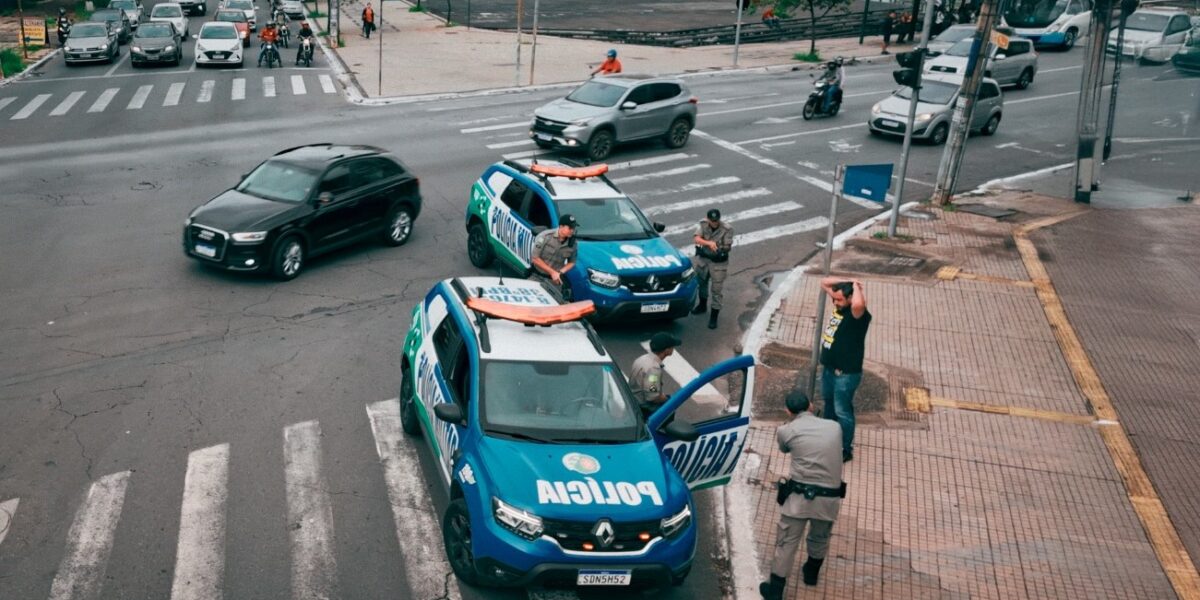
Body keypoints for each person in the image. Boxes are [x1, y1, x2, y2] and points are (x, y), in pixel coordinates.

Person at [759, 391, 845, 599]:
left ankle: (775, 591)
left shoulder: (785, 430)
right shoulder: (835, 427)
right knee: (820, 536)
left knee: (787, 541)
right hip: (829, 499)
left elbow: (784, 449)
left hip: (798, 499)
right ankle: (811, 575)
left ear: (787, 410)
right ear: (811, 406)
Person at [818, 278, 871, 462]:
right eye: (835, 299)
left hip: (845, 375)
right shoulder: (841, 304)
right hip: (829, 370)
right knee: (829, 406)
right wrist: (848, 280)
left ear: (850, 298)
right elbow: (824, 282)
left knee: (843, 412)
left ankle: (845, 448)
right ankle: (827, 439)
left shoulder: (858, 315)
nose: (835, 302)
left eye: (840, 300)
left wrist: (856, 286)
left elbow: (858, 303)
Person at [691, 208, 734, 330]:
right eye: (712, 221)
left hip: (718, 263)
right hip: (704, 260)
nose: (714, 223)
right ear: (708, 218)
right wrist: (709, 243)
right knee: (702, 284)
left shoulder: (727, 229)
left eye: (716, 221)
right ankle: (702, 305)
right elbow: (696, 238)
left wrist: (720, 248)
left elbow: (727, 247)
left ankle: (714, 317)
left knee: (716, 290)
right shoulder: (704, 224)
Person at [629, 333, 681, 417]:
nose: (673, 349)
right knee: (670, 410)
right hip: (644, 406)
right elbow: (652, 397)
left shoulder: (642, 358)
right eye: (672, 347)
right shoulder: (653, 370)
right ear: (667, 350)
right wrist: (668, 399)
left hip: (633, 398)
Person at [530, 214, 579, 301]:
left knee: (556, 304)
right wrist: (552, 272)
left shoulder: (573, 244)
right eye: (570, 228)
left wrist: (560, 272)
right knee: (531, 300)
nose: (572, 231)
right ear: (561, 226)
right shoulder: (545, 237)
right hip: (537, 276)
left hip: (555, 281)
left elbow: (572, 262)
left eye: (573, 228)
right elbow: (535, 258)